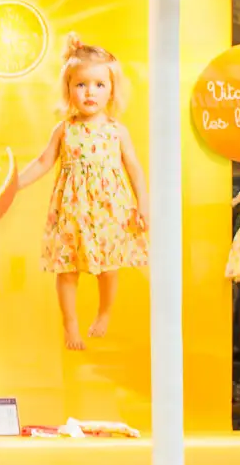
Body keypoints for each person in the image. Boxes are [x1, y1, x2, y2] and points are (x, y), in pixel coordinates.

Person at [16, 34, 148, 350]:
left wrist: (143, 204)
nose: (90, 92)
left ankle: (104, 312)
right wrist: (15, 184)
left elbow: (134, 168)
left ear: (112, 89)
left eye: (99, 85)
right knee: (67, 270)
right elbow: (43, 161)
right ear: (68, 89)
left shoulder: (117, 131)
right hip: (72, 212)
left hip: (109, 211)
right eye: (81, 85)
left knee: (109, 268)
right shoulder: (64, 129)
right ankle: (70, 324)